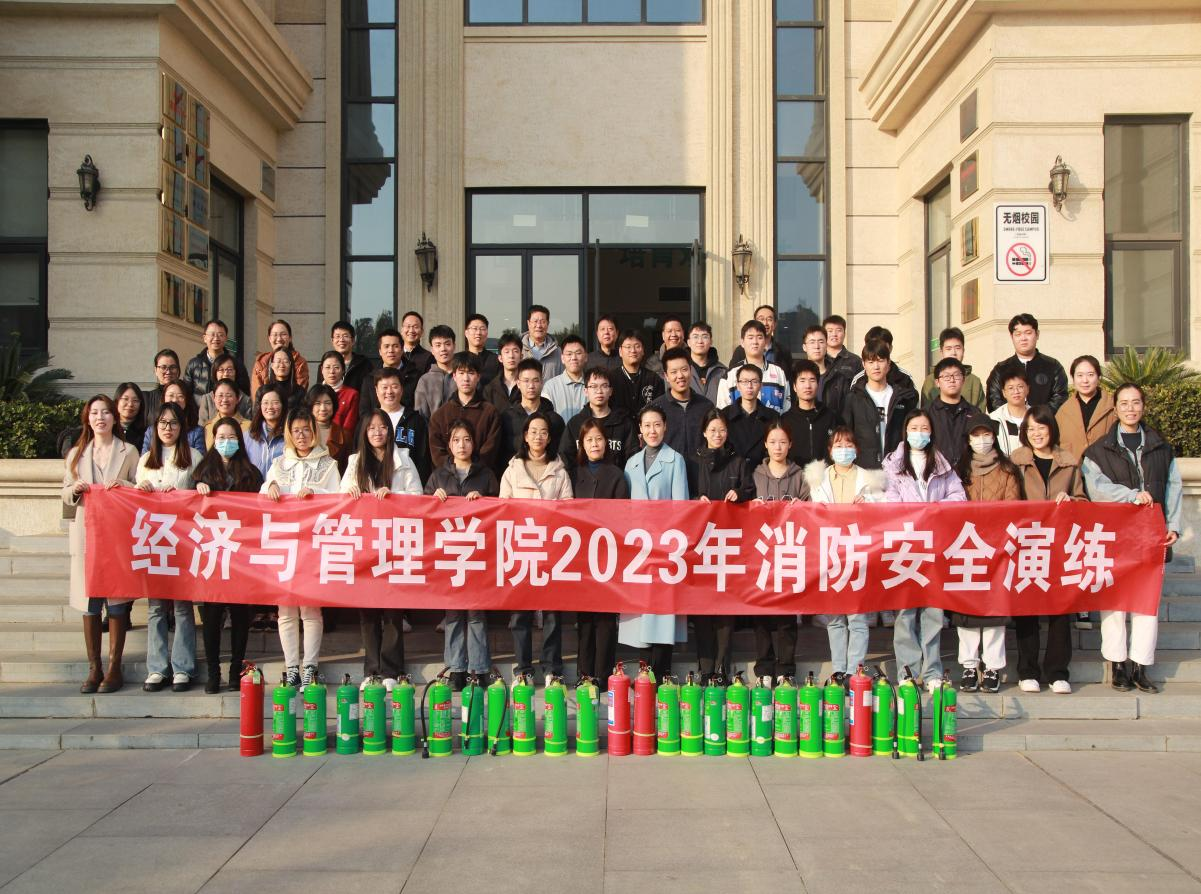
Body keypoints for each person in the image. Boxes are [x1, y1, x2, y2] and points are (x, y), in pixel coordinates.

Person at [1083, 383, 1181, 694]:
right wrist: (1131, 495)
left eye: (1135, 402)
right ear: (1115, 408)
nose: (1130, 408)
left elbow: (1173, 487)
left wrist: (1173, 525)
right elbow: (1096, 488)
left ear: (1143, 406)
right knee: (1114, 602)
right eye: (1124, 403)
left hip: (1150, 536)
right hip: (1114, 535)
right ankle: (1117, 665)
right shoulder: (1098, 450)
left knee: (1146, 602)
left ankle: (1140, 665)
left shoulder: (1161, 448)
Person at [884, 409, 966, 691]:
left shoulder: (943, 465)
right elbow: (888, 499)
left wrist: (935, 510)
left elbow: (958, 496)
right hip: (905, 547)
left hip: (934, 547)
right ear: (905, 432)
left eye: (924, 428)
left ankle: (932, 671)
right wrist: (914, 515)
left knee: (933, 612)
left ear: (931, 432)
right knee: (905, 613)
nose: (919, 433)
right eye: (914, 428)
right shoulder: (892, 465)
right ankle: (907, 671)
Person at [63, 395, 139, 694]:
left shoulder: (128, 451)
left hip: (117, 535)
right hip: (87, 535)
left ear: (114, 417)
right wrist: (75, 489)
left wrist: (124, 487)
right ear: (88, 418)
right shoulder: (76, 454)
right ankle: (94, 668)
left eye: (106, 412)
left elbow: (140, 488)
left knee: (116, 602)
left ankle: (114, 667)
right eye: (94, 412)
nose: (100, 417)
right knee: (91, 603)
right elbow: (64, 494)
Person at [1009, 406, 1087, 694]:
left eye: (1041, 428)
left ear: (1051, 429)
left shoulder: (1069, 462)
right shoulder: (1016, 461)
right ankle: (1027, 670)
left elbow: (1083, 500)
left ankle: (1057, 672)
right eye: (1031, 429)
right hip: (1026, 543)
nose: (1036, 434)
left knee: (1060, 609)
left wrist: (1072, 501)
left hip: (1059, 545)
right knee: (1026, 608)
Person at [341, 411, 422, 687]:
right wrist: (350, 493)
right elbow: (341, 497)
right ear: (364, 432)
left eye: (383, 427)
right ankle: (372, 671)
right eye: (372, 428)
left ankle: (392, 671)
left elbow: (417, 497)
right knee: (368, 611)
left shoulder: (404, 460)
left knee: (392, 611)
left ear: (390, 431)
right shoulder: (355, 462)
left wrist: (394, 498)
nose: (377, 432)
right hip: (365, 544)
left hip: (394, 544)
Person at [262, 408, 341, 686]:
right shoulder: (279, 463)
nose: (302, 436)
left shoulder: (328, 464)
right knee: (285, 610)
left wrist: (315, 494)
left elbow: (339, 499)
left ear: (315, 432)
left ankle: (310, 666)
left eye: (307, 430)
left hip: (313, 545)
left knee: (310, 609)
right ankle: (292, 666)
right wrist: (270, 486)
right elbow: (262, 495)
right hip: (284, 543)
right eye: (296, 431)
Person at [805, 426, 884, 679]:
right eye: (838, 445)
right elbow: (811, 514)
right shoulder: (818, 479)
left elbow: (883, 515)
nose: (844, 450)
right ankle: (839, 669)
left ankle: (854, 669)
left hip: (858, 552)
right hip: (831, 552)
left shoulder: (869, 480)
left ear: (856, 449)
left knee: (858, 618)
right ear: (830, 450)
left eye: (849, 445)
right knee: (835, 618)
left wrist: (869, 504)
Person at [426, 419, 499, 691]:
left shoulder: (486, 474)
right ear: (449, 444)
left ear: (474, 443)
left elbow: (502, 509)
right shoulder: (438, 476)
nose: (462, 445)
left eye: (467, 439)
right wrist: (433, 498)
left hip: (478, 552)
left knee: (476, 613)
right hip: (449, 552)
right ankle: (456, 668)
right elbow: (422, 512)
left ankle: (479, 668)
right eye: (456, 440)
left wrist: (484, 501)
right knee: (454, 612)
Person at [501, 413, 573, 683]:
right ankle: (523, 669)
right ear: (525, 436)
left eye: (543, 432)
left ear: (550, 437)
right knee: (520, 614)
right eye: (533, 431)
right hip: (522, 548)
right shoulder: (512, 469)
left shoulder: (559, 471)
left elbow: (569, 509)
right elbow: (503, 507)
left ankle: (552, 668)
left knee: (552, 613)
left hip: (552, 550)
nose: (538, 436)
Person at [193, 417, 263, 692]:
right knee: (211, 617)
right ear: (213, 440)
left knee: (240, 616)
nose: (226, 442)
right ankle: (213, 672)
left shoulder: (251, 473)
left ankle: (236, 670)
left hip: (240, 555)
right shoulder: (202, 471)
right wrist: (197, 490)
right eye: (221, 437)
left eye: (231, 437)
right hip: (212, 554)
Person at [952, 419, 1021, 693]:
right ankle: (969, 665)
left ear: (994, 437)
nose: (981, 440)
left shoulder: (1007, 470)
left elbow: (1013, 506)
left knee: (995, 609)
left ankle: (992, 666)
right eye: (976, 435)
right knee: (966, 609)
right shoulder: (959, 470)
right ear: (968, 440)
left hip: (997, 546)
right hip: (966, 545)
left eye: (986, 434)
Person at [135, 403, 201, 693]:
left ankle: (183, 668)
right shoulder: (145, 459)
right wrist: (142, 489)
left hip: (183, 540)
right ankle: (157, 668)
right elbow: (134, 498)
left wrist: (184, 494)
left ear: (182, 427)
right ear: (155, 427)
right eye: (162, 422)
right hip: (154, 540)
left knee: (183, 607)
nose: (167, 428)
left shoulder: (194, 457)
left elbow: (202, 496)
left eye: (173, 423)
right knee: (156, 607)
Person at [620, 405, 689, 680]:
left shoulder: (676, 460)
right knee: (641, 614)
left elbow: (681, 507)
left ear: (665, 427)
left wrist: (670, 542)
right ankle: (644, 674)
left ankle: (662, 675)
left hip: (664, 548)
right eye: (647, 425)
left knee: (662, 614)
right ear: (640, 429)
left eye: (657, 425)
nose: (652, 430)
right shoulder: (631, 463)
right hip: (639, 549)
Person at [693, 409, 754, 679]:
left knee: (725, 609)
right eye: (712, 430)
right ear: (704, 432)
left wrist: (739, 493)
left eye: (722, 430)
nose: (717, 435)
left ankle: (722, 668)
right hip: (701, 542)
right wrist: (697, 500)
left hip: (730, 543)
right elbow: (685, 494)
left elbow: (750, 490)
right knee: (702, 608)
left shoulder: (738, 462)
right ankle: (705, 667)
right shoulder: (693, 461)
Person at [571, 417, 629, 683]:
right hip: (581, 554)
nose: (594, 444)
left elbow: (623, 513)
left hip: (608, 554)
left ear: (606, 442)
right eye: (589, 440)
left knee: (605, 618)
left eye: (599, 439)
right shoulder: (574, 473)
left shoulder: (616, 474)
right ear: (581, 444)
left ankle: (604, 674)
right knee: (584, 618)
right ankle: (585, 673)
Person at [750, 421, 810, 681]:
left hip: (789, 550)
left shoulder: (800, 476)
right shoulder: (755, 474)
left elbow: (813, 510)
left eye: (783, 442)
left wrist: (802, 507)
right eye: (773, 442)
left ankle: (786, 669)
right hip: (762, 552)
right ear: (765, 444)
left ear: (790, 445)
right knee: (761, 612)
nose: (778, 447)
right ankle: (764, 668)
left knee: (787, 613)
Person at [842, 339, 917, 469]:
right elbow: (847, 435)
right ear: (864, 365)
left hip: (897, 468)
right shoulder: (853, 399)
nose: (876, 367)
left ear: (888, 363)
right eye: (871, 362)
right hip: (864, 470)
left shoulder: (902, 398)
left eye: (880, 361)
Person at [647, 346, 713, 491]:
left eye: (684, 369)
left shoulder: (706, 406)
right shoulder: (656, 408)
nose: (680, 376)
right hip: (666, 481)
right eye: (673, 372)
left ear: (691, 370)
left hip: (701, 481)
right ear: (666, 376)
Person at [428, 353, 501, 469]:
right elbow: (437, 452)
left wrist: (472, 469)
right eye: (461, 373)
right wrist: (454, 469)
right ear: (454, 376)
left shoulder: (490, 413)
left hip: (480, 475)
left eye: (471, 373)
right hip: (448, 476)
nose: (466, 378)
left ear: (478, 377)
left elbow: (490, 450)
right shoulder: (440, 415)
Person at [559, 366, 639, 471]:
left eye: (604, 386)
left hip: (617, 480)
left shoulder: (624, 423)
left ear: (610, 391)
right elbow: (565, 458)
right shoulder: (575, 424)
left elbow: (633, 459)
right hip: (582, 480)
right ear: (586, 391)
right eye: (593, 386)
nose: (599, 391)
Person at [986, 313, 1068, 412]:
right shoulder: (1000, 369)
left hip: (1044, 421)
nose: (1023, 338)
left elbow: (1060, 398)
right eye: (1018, 334)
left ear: (1037, 334)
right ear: (1012, 337)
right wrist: (1015, 416)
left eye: (1028, 333)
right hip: (1008, 421)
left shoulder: (1053, 366)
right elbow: (994, 400)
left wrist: (1038, 417)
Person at [498, 359, 565, 472]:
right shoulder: (506, 418)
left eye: (535, 380)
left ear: (542, 382)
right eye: (526, 381)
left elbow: (561, 453)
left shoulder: (554, 419)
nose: (531, 386)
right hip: (515, 477)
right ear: (518, 383)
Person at [925, 357, 986, 467]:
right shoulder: (927, 413)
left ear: (963, 380)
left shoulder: (974, 413)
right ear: (937, 382)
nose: (952, 380)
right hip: (937, 472)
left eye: (956, 375)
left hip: (968, 472)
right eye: (946, 376)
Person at [372, 366, 430, 482]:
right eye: (384, 387)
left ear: (402, 389)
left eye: (394, 387)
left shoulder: (416, 420)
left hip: (407, 483)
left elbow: (423, 459)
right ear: (376, 390)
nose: (389, 392)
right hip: (374, 484)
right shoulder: (368, 421)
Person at [718, 320, 790, 412]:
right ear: (742, 342)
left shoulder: (779, 372)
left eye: (759, 337)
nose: (755, 342)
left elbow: (787, 409)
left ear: (765, 341)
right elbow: (722, 412)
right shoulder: (730, 375)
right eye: (750, 337)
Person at [1056, 355, 1115, 462]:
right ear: (1073, 378)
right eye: (1080, 375)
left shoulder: (1113, 407)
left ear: (1099, 377)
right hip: (1073, 470)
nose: (1085, 380)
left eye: (1090, 375)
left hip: (1105, 469)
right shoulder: (1063, 412)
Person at [779, 359, 837, 467]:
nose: (807, 386)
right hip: (794, 475)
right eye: (802, 381)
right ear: (794, 386)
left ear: (818, 384)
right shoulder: (785, 420)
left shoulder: (831, 417)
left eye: (812, 380)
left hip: (825, 475)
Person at [720, 362, 778, 470]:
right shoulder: (724, 416)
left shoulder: (772, 417)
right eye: (745, 381)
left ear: (761, 386)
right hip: (732, 474)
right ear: (738, 386)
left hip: (762, 474)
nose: (749, 386)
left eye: (754, 382)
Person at [920, 327, 986, 410]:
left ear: (963, 350)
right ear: (941, 352)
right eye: (948, 349)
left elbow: (980, 413)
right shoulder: (930, 380)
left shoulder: (974, 381)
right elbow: (925, 411)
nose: (953, 353)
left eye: (957, 348)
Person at [183, 318, 250, 397]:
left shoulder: (236, 364)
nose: (216, 338)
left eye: (220, 335)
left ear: (226, 338)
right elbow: (186, 394)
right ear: (204, 338)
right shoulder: (193, 365)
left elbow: (244, 394)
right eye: (212, 334)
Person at [358, 327, 410, 417]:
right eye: (386, 346)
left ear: (402, 350)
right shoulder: (369, 379)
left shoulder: (414, 375)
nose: (391, 350)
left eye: (395, 346)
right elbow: (364, 412)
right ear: (380, 351)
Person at [728, 304, 794, 375]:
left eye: (769, 319)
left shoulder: (783, 351)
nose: (765, 323)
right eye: (761, 319)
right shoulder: (741, 350)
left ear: (775, 324)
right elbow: (732, 374)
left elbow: (788, 377)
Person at [611, 329, 664, 416]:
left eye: (637, 346)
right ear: (620, 351)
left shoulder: (654, 379)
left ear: (643, 350)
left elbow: (660, 409)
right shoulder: (611, 378)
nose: (633, 350)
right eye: (628, 347)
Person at [142, 381, 205, 454]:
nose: (175, 400)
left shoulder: (196, 432)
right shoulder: (151, 431)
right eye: (171, 395)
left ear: (187, 400)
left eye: (180, 396)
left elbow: (200, 459)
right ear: (163, 398)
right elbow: (145, 457)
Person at [251, 319, 309, 397]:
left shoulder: (299, 362)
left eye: (283, 334)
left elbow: (298, 396)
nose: (279, 339)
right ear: (269, 338)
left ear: (290, 338)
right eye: (274, 335)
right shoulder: (261, 362)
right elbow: (257, 396)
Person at [541, 334, 588, 423]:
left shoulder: (593, 385)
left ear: (585, 357)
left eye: (578, 353)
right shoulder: (550, 387)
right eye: (569, 354)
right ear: (562, 358)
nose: (573, 358)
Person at [414, 324, 457, 419]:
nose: (443, 349)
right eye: (438, 345)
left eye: (447, 344)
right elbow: (420, 416)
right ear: (432, 350)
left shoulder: (462, 376)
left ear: (454, 346)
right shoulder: (425, 380)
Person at [197, 353, 253, 424]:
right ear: (215, 373)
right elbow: (202, 426)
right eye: (221, 370)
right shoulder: (207, 399)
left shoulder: (245, 399)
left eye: (229, 369)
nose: (226, 374)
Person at [245, 384, 287, 479]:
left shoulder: (290, 435)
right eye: (265, 403)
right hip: (253, 487)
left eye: (275, 403)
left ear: (283, 405)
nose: (270, 407)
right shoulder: (248, 436)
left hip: (280, 487)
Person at [318, 350, 360, 439]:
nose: (332, 371)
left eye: (336, 367)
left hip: (340, 442)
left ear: (343, 370)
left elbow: (348, 428)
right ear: (322, 370)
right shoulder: (315, 394)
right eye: (327, 367)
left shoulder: (352, 395)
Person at [988, 371, 1029, 456]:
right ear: (1004, 393)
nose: (1016, 391)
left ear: (1027, 389)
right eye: (1011, 388)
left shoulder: (1036, 417)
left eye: (1020, 387)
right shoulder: (994, 419)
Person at [307, 384, 348, 469]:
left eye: (327, 403)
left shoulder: (344, 436)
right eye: (317, 403)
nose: (323, 408)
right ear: (310, 406)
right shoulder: (301, 431)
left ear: (334, 405)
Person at [145, 348, 192, 422]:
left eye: (172, 367)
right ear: (155, 370)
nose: (168, 372)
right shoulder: (147, 399)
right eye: (163, 367)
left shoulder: (187, 395)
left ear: (178, 370)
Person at [687, 321, 727, 405]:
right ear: (689, 342)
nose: (700, 341)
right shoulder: (682, 370)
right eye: (695, 337)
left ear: (711, 341)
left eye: (704, 337)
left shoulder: (722, 371)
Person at [257, 346, 307, 413]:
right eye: (278, 361)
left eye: (285, 361)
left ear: (291, 365)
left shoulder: (299, 392)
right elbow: (257, 415)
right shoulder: (263, 391)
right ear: (272, 365)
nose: (282, 365)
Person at [331, 319, 374, 395]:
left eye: (345, 336)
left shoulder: (365, 365)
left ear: (353, 340)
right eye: (337, 336)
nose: (341, 340)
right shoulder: (326, 365)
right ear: (332, 341)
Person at [202, 380, 250, 448]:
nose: (224, 400)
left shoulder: (249, 427)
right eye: (220, 395)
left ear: (237, 398)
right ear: (214, 398)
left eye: (229, 395)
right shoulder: (207, 428)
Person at [522, 304, 563, 379]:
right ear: (528, 323)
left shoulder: (558, 352)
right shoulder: (518, 349)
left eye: (543, 321)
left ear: (548, 324)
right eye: (535, 321)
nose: (539, 325)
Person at [484, 332, 523, 412]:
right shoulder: (490, 389)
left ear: (521, 356)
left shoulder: (527, 386)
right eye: (507, 352)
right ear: (500, 358)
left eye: (515, 351)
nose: (511, 356)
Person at [463, 313, 501, 385]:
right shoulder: (459, 359)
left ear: (487, 333)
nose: (478, 333)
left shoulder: (496, 361)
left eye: (482, 329)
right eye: (474, 328)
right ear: (466, 333)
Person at [823, 314, 862, 379]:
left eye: (838, 330)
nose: (834, 334)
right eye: (830, 331)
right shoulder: (819, 359)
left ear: (844, 334)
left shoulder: (855, 361)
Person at [400, 311, 435, 376]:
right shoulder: (394, 354)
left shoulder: (429, 357)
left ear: (422, 332)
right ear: (402, 330)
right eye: (408, 326)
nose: (411, 330)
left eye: (415, 327)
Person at [114, 382, 147, 450]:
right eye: (125, 399)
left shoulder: (147, 433)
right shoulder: (109, 429)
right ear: (117, 402)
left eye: (135, 400)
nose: (130, 404)